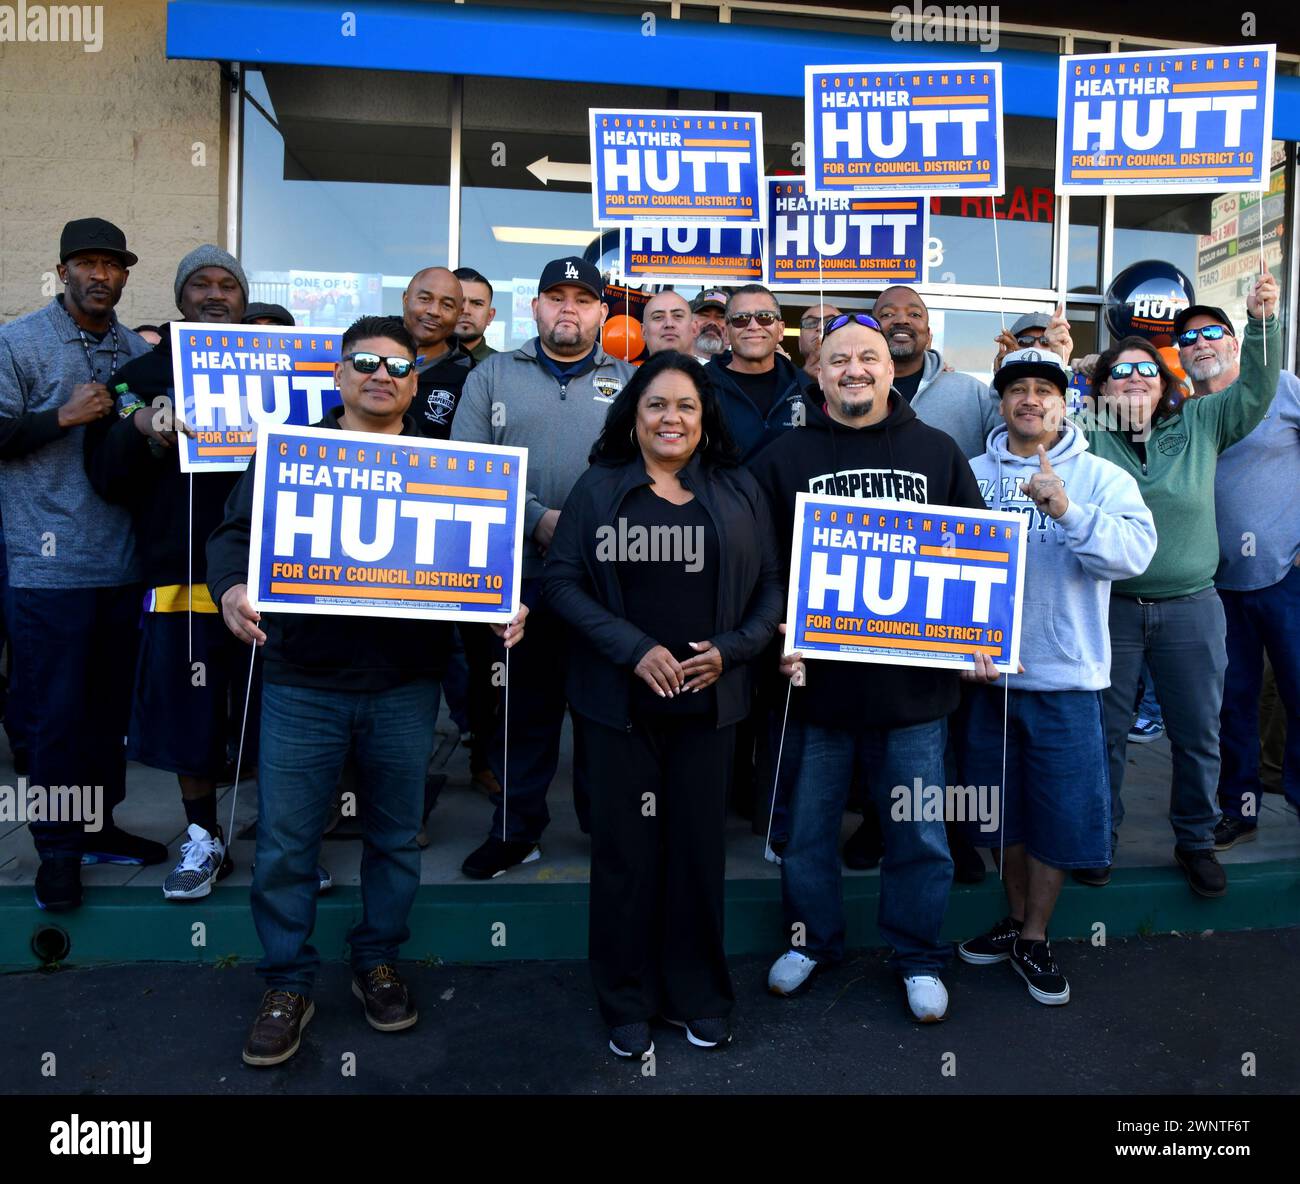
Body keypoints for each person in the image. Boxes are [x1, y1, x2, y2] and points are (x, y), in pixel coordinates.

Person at [207, 315, 527, 1066]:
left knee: (393, 838)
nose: (380, 374)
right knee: (287, 842)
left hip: (404, 685)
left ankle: (377, 960)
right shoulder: (293, 453)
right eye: (364, 362)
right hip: (301, 679)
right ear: (338, 374)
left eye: (396, 365)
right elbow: (231, 533)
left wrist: (505, 601)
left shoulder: (450, 466)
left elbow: (486, 556)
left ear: (415, 381)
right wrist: (227, 589)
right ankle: (286, 981)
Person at [750, 313, 988, 1022]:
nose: (855, 368)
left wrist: (981, 635)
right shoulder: (779, 456)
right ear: (816, 372)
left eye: (870, 357)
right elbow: (757, 566)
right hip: (815, 688)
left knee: (918, 832)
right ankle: (811, 943)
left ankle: (918, 957)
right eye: (839, 358)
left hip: (915, 693)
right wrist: (775, 633)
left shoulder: (939, 450)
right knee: (810, 831)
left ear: (892, 369)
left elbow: (980, 559)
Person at [544, 351, 782, 1058]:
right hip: (619, 706)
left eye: (685, 405)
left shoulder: (739, 487)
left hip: (709, 707)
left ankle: (697, 994)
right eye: (656, 405)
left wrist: (734, 648)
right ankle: (625, 999)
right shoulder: (599, 487)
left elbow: (772, 584)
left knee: (696, 857)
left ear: (705, 418)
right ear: (633, 416)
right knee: (625, 858)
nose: (671, 417)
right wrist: (634, 648)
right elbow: (560, 583)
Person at [1073, 270, 1281, 897]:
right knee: (1104, 735)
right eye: (1121, 372)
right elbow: (1046, 415)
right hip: (1111, 607)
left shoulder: (1201, 422)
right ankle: (1097, 840)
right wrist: (1058, 357)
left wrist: (1264, 321)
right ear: (1102, 385)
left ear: (1166, 381)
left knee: (1197, 734)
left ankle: (1194, 841)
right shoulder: (1089, 436)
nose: (1134, 380)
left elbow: (1257, 388)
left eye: (1146, 371)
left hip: (1192, 606)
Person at [957, 349, 1155, 1004]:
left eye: (1045, 388)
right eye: (1018, 389)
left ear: (1065, 401)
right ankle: (1014, 921)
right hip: (987, 681)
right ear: (1002, 402)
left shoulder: (1101, 477)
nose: (1031, 399)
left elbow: (1134, 555)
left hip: (1067, 680)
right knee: (1003, 817)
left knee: (1059, 817)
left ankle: (1036, 936)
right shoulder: (970, 473)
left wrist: (1068, 510)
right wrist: (958, 647)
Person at [0, 217, 164, 912]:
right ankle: (58, 852)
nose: (102, 276)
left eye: (113, 265)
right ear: (64, 269)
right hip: (49, 566)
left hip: (120, 565)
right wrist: (58, 418)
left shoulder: (134, 350)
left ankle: (99, 828)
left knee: (104, 719)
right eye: (88, 264)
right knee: (56, 719)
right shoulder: (19, 341)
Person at [451, 256, 634, 878]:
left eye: (582, 299)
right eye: (554, 297)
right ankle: (516, 829)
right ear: (533, 308)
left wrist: (579, 528)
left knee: (603, 710)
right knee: (520, 711)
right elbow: (466, 466)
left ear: (603, 313)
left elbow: (649, 471)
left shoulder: (631, 380)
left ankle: (604, 827)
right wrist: (536, 519)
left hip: (606, 578)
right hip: (516, 575)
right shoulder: (494, 376)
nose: (568, 309)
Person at [85, 244, 253, 900]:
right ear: (181, 296)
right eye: (201, 284)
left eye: (228, 285)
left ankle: (282, 839)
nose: (215, 294)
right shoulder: (144, 371)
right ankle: (203, 835)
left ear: (244, 296)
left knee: (275, 713)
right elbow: (103, 477)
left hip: (276, 577)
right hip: (181, 572)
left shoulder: (284, 369)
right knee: (192, 716)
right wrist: (141, 430)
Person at [1167, 303, 1300, 849]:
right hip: (1216, 587)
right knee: (1232, 704)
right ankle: (1239, 809)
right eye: (1189, 338)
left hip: (1286, 577)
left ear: (1234, 340)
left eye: (1211, 333)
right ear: (1179, 356)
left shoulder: (1283, 387)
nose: (1200, 343)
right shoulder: (1178, 413)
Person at [704, 284, 807, 464]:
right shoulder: (700, 387)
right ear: (726, 334)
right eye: (740, 318)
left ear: (781, 330)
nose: (753, 326)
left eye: (764, 317)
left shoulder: (806, 388)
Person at [402, 266, 473, 439]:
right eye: (425, 299)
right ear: (405, 299)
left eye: (447, 305)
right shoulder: (366, 348)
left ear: (459, 314)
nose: (434, 311)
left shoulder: (470, 378)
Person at [452, 267, 497, 362]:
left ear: (490, 316)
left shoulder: (504, 369)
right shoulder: (420, 364)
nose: (466, 310)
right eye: (458, 301)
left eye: (477, 303)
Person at [641, 290, 697, 357]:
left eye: (678, 316)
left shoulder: (711, 367)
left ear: (694, 328)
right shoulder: (633, 368)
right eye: (658, 317)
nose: (669, 324)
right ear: (643, 332)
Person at [798, 303, 840, 380]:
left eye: (831, 322)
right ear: (800, 343)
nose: (821, 327)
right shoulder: (787, 385)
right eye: (810, 323)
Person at [689, 289, 729, 363]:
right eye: (704, 315)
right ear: (690, 320)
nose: (712, 322)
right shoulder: (672, 364)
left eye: (721, 317)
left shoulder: (744, 368)